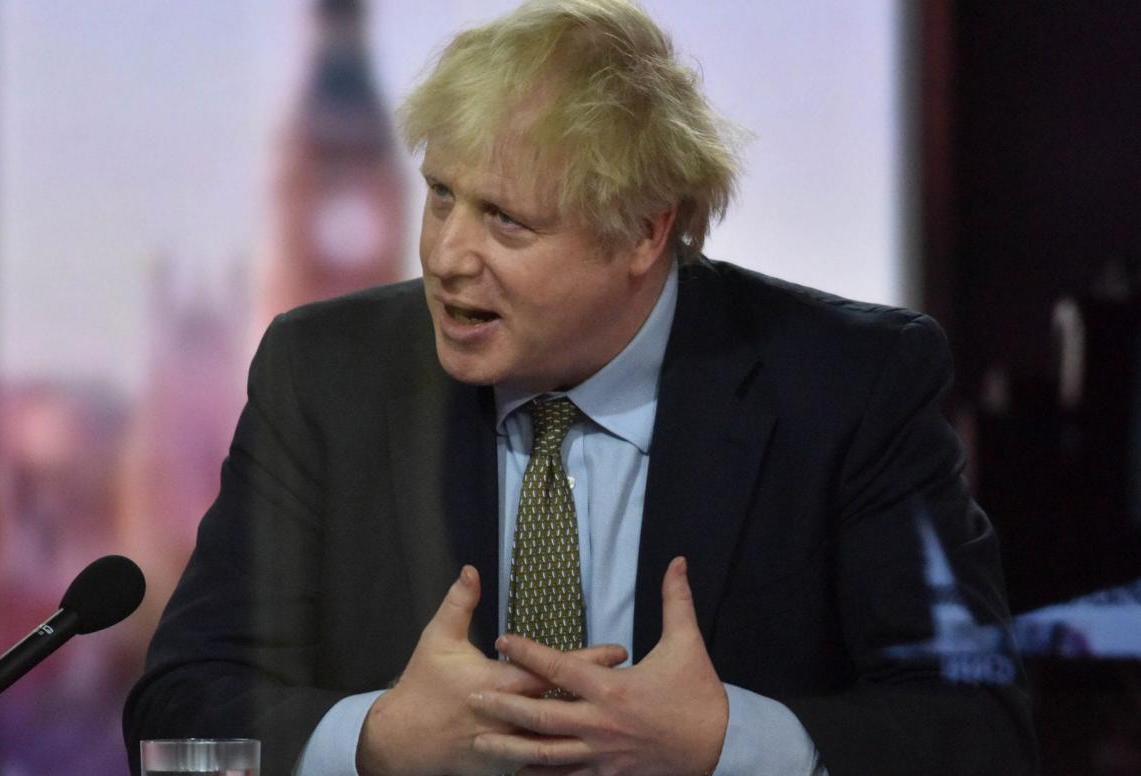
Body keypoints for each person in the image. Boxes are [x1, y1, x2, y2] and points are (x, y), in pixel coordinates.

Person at [124, 1, 1036, 773]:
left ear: (643, 233)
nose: (446, 257)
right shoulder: (326, 373)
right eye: (441, 195)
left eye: (506, 222)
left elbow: (981, 729)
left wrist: (728, 744)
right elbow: (177, 705)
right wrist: (379, 737)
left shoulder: (847, 386)